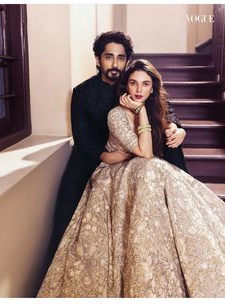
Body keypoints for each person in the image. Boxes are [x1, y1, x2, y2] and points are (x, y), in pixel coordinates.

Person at [38, 59, 225, 297]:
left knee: (155, 172)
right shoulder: (115, 114)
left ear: (152, 89)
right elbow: (145, 153)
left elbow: (159, 141)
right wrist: (139, 112)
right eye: (134, 83)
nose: (139, 90)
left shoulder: (157, 109)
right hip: (116, 173)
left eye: (145, 84)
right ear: (126, 86)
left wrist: (177, 128)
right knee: (150, 169)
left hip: (143, 170)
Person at [47, 31, 187, 265]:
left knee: (171, 141)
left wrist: (177, 127)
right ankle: (58, 260)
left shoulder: (132, 82)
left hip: (136, 147)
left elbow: (162, 106)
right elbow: (81, 137)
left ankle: (184, 202)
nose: (114, 64)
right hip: (96, 151)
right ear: (98, 59)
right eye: (109, 57)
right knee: (68, 197)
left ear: (127, 60)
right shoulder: (82, 92)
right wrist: (105, 155)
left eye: (120, 58)